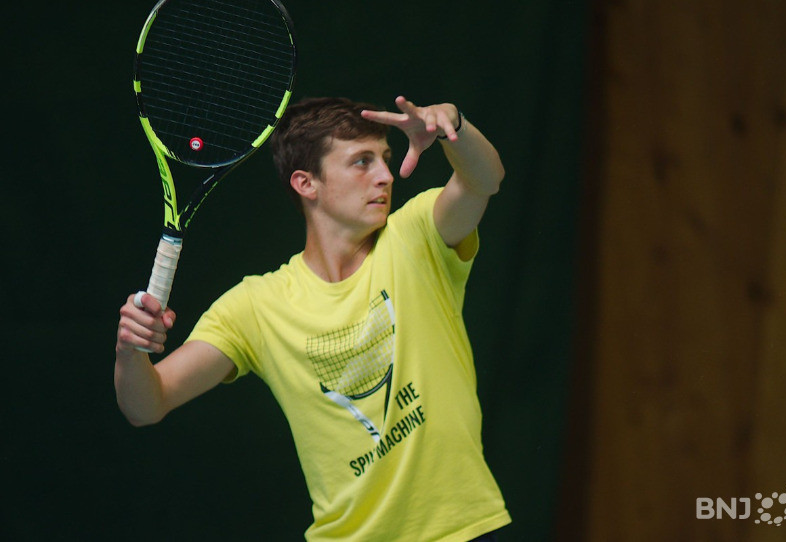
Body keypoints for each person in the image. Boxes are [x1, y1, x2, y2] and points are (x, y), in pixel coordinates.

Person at [115, 95, 511, 541]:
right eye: (361, 162)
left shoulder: (418, 236)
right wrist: (131, 350)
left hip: (465, 530)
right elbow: (146, 405)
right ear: (307, 183)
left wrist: (453, 125)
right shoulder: (256, 306)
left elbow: (484, 177)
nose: (384, 176)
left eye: (385, 158)